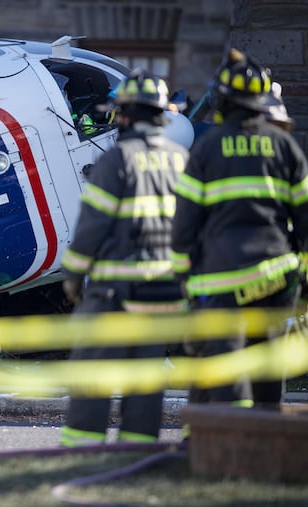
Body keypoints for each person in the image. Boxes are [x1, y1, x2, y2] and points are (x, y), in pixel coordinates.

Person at [59, 69, 189, 447]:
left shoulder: (117, 159)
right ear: (163, 115)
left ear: (124, 114)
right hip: (165, 290)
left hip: (116, 289)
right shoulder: (182, 160)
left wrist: (74, 273)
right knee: (145, 376)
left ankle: (82, 449)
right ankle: (137, 449)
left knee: (92, 370)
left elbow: (92, 226)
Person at [171, 48, 308, 408]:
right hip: (276, 276)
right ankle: (264, 437)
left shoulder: (206, 149)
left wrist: (184, 274)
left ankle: (232, 445)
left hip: (222, 278)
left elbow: (185, 223)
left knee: (226, 366)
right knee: (267, 364)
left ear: (223, 99)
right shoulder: (285, 147)